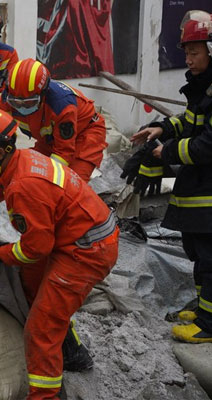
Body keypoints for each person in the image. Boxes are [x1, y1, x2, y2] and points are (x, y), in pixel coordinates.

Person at [0, 108, 119, 399]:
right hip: (72, 239)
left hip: (87, 252)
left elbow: (34, 249)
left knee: (40, 330)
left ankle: (44, 395)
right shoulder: (16, 164)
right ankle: (71, 350)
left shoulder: (24, 185)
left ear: (0, 152)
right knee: (31, 285)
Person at [125, 10, 212, 344]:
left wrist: (168, 152)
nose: (188, 59)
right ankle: (205, 309)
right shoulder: (202, 87)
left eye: (194, 52)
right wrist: (162, 127)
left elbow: (208, 145)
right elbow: (189, 120)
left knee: (209, 255)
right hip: (200, 188)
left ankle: (209, 324)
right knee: (195, 249)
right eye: (186, 52)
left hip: (209, 192)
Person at [0, 58, 107, 182]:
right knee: (26, 170)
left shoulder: (62, 106)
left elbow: (63, 152)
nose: (22, 107)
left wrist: (50, 181)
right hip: (50, 138)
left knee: (72, 182)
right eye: (17, 102)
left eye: (29, 103)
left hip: (85, 133)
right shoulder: (8, 97)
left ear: (43, 93)